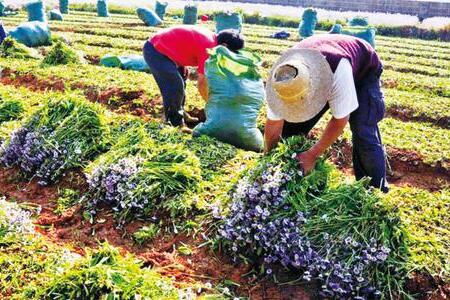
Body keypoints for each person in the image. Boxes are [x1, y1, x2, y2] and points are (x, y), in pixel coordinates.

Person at [264, 34, 388, 192]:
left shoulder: (337, 70)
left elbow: (339, 120)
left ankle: (375, 191)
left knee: (363, 131)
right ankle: (297, 178)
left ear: (315, 88)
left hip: (363, 69)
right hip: (321, 64)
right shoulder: (281, 79)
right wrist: (269, 159)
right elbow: (273, 125)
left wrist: (312, 155)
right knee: (289, 131)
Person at [143, 25, 244, 133]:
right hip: (156, 50)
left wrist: (182, 62)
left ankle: (180, 113)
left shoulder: (212, 39)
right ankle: (175, 123)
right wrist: (211, 104)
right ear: (224, 45)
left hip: (166, 48)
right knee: (175, 87)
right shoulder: (209, 48)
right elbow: (201, 84)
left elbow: (185, 43)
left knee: (181, 81)